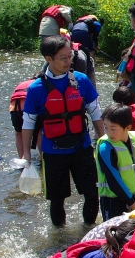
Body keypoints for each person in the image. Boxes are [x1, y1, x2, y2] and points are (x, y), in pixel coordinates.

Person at [21, 36, 104, 226]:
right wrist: (26, 154)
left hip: (81, 148)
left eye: (70, 56)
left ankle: (88, 229)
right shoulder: (36, 89)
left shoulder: (81, 80)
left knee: (92, 193)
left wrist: (104, 140)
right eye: (63, 58)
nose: (69, 61)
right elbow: (28, 124)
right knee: (57, 200)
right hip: (53, 152)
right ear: (48, 59)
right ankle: (59, 237)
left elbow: (95, 112)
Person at [96, 104, 135, 220]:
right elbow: (114, 182)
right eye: (105, 127)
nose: (108, 132)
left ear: (128, 127)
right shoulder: (105, 148)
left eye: (113, 128)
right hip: (114, 202)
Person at [70, 15, 101, 87]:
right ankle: (91, 64)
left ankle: (76, 61)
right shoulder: (98, 24)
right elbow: (94, 37)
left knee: (78, 48)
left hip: (74, 31)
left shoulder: (81, 21)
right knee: (91, 50)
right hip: (83, 32)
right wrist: (95, 46)